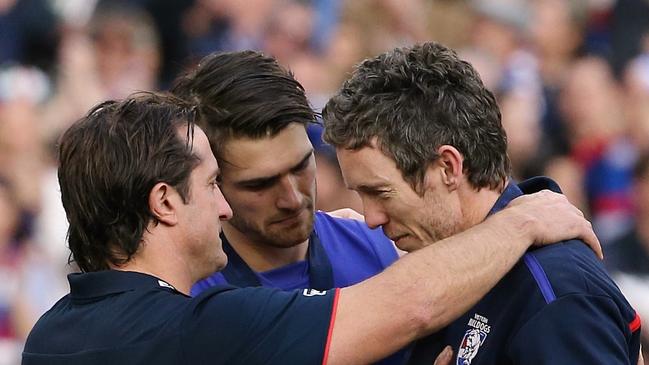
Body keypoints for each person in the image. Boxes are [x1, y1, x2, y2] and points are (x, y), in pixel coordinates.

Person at [22, 92, 600, 365]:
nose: (225, 210)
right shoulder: (202, 329)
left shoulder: (48, 339)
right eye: (215, 185)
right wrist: (521, 217)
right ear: (165, 202)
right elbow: (412, 305)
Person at [321, 41, 642, 365]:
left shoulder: (554, 290)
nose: (371, 217)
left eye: (380, 192)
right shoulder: (438, 273)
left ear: (448, 167)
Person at [171, 50, 399, 297]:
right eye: (261, 184)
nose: (292, 199)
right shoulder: (183, 294)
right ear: (213, 183)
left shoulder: (379, 249)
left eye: (300, 166)